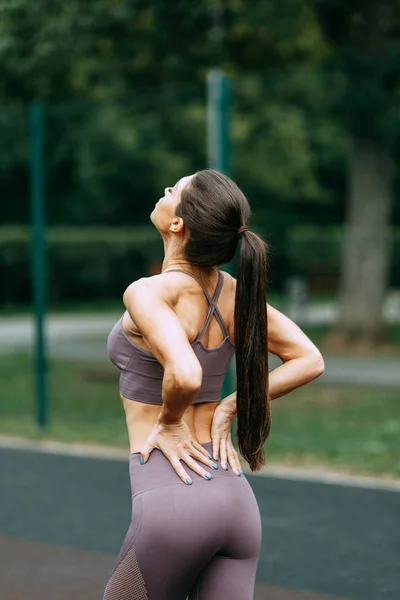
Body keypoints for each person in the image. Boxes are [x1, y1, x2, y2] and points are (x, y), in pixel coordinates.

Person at [103, 170, 325, 600]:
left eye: (174, 190)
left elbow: (185, 374)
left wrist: (170, 421)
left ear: (177, 224)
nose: (164, 190)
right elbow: (309, 359)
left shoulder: (149, 293)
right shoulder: (235, 294)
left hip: (174, 500)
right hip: (235, 502)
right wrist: (230, 405)